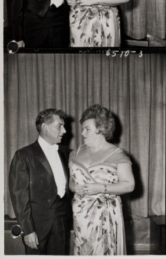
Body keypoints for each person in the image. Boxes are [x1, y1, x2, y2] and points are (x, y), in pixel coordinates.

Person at [69, 104, 135, 255]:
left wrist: (101, 188)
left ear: (101, 129)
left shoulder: (118, 155)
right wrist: (74, 188)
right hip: (81, 216)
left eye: (87, 129)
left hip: (106, 216)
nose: (82, 133)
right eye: (83, 128)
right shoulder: (75, 153)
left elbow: (129, 185)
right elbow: (71, 182)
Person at [8, 109, 71, 255]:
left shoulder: (66, 153)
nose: (64, 130)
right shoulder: (23, 155)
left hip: (61, 221)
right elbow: (19, 197)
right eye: (59, 126)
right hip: (36, 224)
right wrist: (28, 230)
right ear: (44, 127)